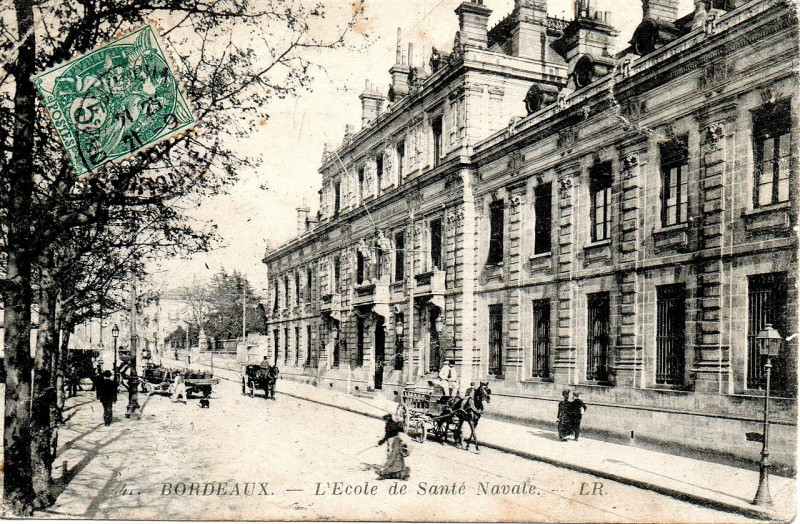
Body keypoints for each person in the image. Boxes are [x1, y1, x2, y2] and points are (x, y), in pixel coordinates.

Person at [377, 414, 410, 480]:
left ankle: (385, 473)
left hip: (392, 442)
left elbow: (387, 436)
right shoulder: (397, 424)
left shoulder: (388, 425)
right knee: (398, 457)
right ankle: (402, 474)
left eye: (385, 420)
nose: (385, 422)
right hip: (398, 442)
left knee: (391, 457)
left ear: (387, 420)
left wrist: (381, 442)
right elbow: (402, 431)